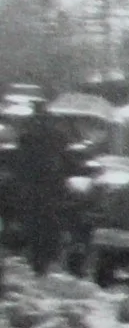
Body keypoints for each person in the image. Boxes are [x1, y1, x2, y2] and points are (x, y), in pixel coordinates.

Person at [9, 97, 75, 276]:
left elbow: (20, 164)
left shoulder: (27, 138)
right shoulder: (58, 138)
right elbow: (66, 162)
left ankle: (37, 259)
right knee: (49, 226)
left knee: (35, 226)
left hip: (33, 190)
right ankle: (45, 260)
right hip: (51, 190)